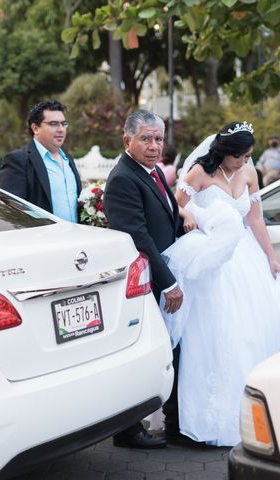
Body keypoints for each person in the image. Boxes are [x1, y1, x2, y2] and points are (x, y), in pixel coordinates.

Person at [162, 121, 280, 447]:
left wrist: (271, 257)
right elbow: (176, 203)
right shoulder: (201, 172)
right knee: (217, 334)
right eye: (239, 157)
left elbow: (254, 218)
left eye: (248, 156)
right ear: (224, 153)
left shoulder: (249, 174)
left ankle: (257, 410)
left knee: (255, 330)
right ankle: (211, 414)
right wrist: (190, 216)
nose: (244, 162)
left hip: (246, 257)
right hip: (211, 257)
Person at [103, 110, 184, 449]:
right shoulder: (124, 177)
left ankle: (173, 419)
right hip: (143, 281)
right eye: (146, 139)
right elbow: (137, 234)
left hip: (160, 273)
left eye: (158, 139)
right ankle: (127, 430)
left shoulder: (152, 173)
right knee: (140, 353)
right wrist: (168, 282)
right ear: (128, 141)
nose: (154, 146)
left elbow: (166, 218)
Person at [0, 100, 81, 222]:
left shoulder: (68, 159)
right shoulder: (17, 161)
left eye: (63, 124)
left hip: (77, 237)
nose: (61, 129)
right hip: (43, 238)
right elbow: (12, 211)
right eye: (53, 124)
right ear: (35, 128)